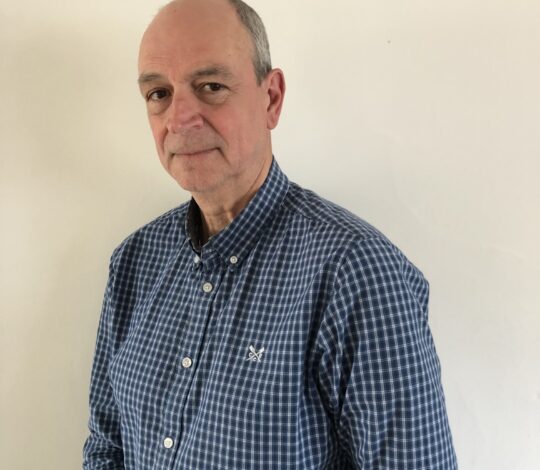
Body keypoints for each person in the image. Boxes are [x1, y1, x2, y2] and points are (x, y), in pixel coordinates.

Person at [83, 0, 458, 468]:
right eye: (159, 94)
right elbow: (106, 446)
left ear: (271, 98)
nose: (179, 120)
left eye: (211, 86)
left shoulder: (357, 274)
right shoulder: (135, 262)